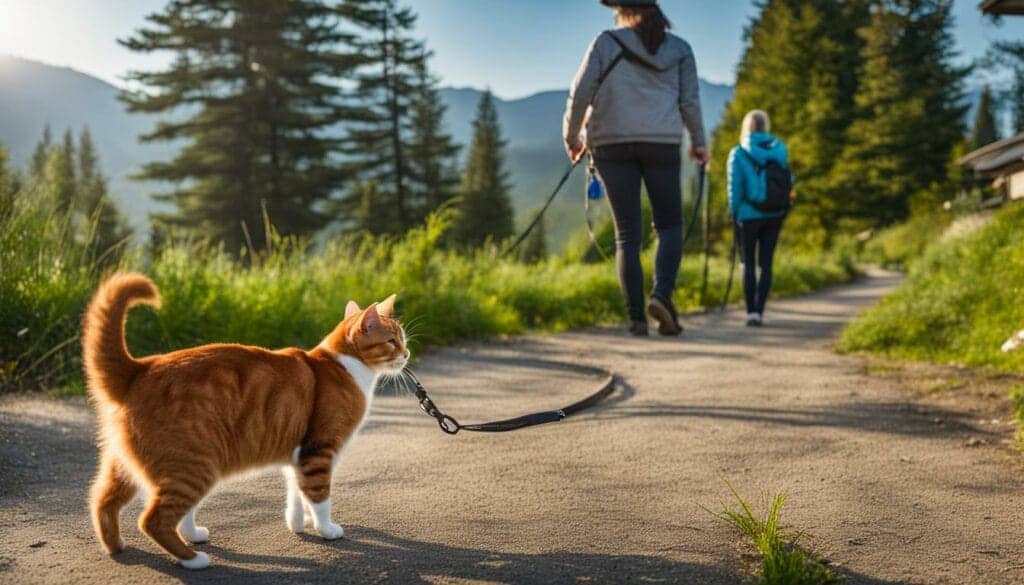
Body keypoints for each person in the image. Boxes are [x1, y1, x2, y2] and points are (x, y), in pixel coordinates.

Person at [563, 0, 707, 337]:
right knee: (669, 224)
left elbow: (580, 92)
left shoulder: (605, 41)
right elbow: (690, 102)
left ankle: (636, 320)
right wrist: (699, 142)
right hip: (661, 142)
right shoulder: (681, 49)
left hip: (610, 143)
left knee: (627, 233)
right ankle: (661, 295)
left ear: (624, 12)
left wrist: (572, 137)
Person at [727, 110, 790, 327]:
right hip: (775, 213)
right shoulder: (780, 149)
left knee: (748, 261)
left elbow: (735, 188)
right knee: (766, 263)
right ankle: (760, 310)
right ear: (766, 126)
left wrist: (733, 211)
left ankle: (751, 311)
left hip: (748, 214)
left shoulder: (739, 152)